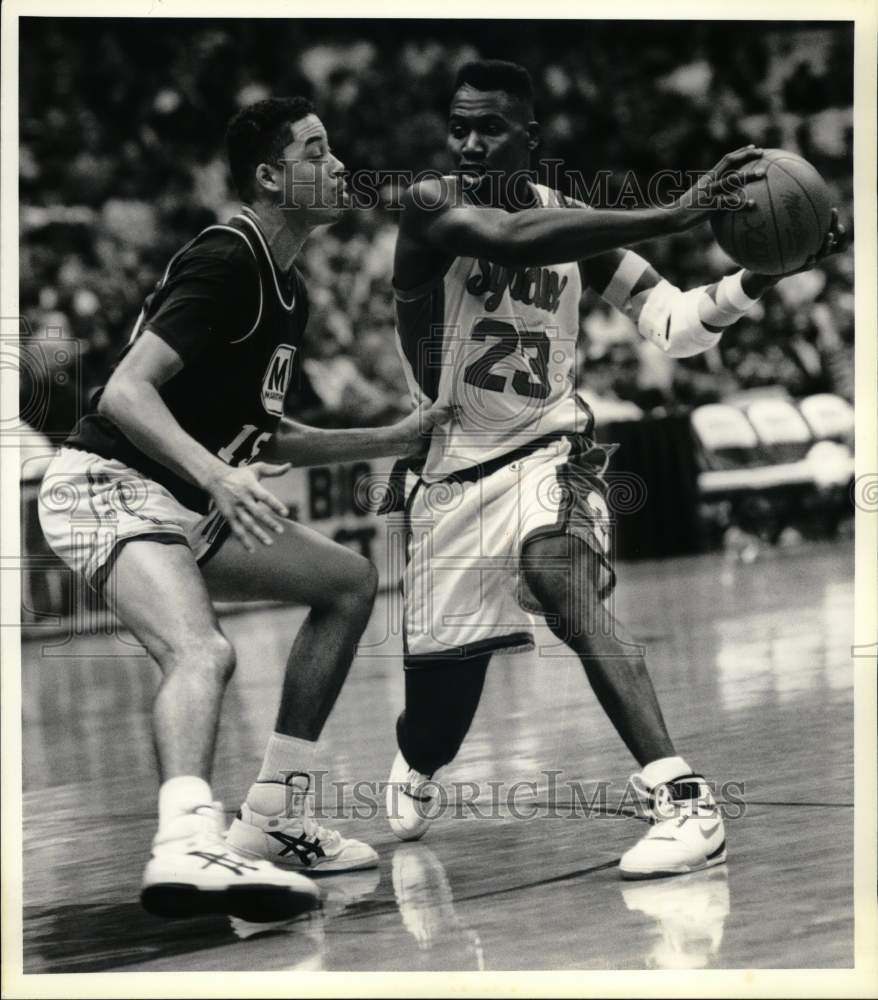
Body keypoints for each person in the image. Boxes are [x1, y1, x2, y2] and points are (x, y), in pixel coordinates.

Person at [384, 60, 845, 878]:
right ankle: (419, 762)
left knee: (557, 575)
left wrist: (760, 276)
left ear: (530, 137)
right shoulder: (431, 205)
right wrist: (677, 210)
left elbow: (673, 324)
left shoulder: (576, 230)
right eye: (458, 126)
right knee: (433, 725)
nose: (469, 143)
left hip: (548, 450)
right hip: (449, 479)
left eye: (490, 127)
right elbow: (507, 238)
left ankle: (682, 799)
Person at [37, 97, 447, 919]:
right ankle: (186, 844)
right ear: (270, 176)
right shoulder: (229, 255)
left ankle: (273, 815)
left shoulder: (286, 290)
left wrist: (390, 437)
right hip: (104, 483)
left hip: (180, 493)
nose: (338, 167)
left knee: (347, 583)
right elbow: (124, 391)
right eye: (316, 152)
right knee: (201, 652)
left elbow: (264, 433)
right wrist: (216, 477)